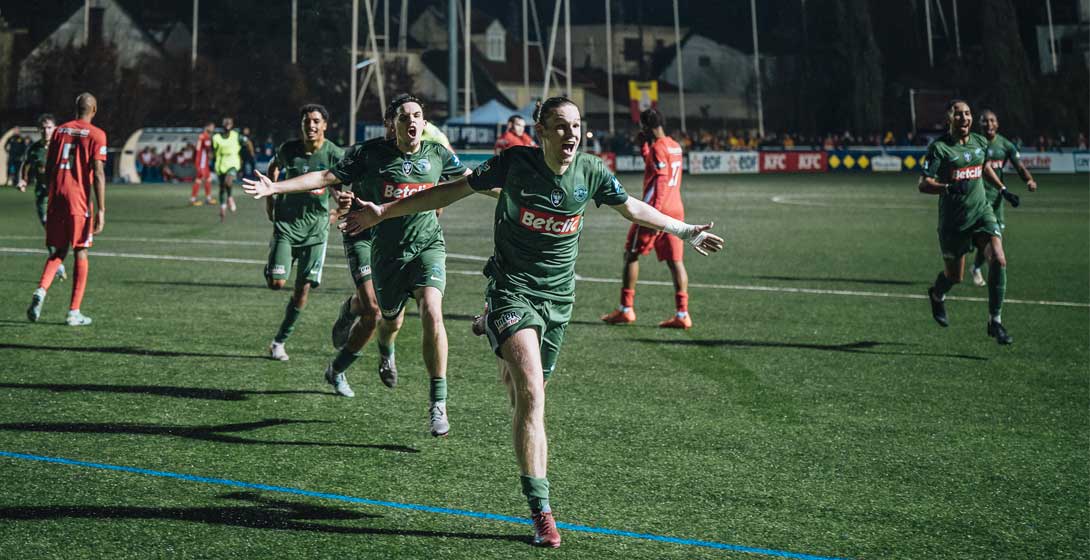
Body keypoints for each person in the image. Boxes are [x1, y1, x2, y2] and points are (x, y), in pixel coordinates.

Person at [335, 96, 723, 548]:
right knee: (532, 394)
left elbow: (632, 206)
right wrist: (382, 211)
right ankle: (542, 511)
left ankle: (492, 330)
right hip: (512, 291)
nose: (571, 134)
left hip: (559, 301)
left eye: (577, 126)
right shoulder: (514, 164)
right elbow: (451, 190)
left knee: (521, 393)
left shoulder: (591, 172)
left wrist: (685, 230)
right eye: (560, 126)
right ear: (540, 130)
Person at [244, 94, 467, 438]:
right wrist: (276, 187)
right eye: (402, 117)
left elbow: (473, 181)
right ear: (391, 123)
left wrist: (518, 191)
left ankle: (437, 401)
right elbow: (326, 177)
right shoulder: (368, 153)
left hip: (424, 245)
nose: (410, 122)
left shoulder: (436, 153)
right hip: (367, 236)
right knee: (377, 311)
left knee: (431, 311)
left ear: (424, 122)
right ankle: (353, 314)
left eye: (417, 116)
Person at [920, 100, 1013, 345]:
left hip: (981, 213)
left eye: (968, 113)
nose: (965, 118)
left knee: (999, 259)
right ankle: (937, 295)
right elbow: (923, 184)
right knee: (955, 277)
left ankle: (995, 321)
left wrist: (1002, 189)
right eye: (958, 114)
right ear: (949, 119)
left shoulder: (980, 142)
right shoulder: (939, 149)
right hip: (954, 223)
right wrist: (948, 187)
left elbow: (982, 168)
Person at [263, 104, 345, 361]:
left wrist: (335, 215)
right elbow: (273, 168)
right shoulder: (289, 150)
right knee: (277, 283)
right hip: (286, 226)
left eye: (316, 121)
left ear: (324, 125)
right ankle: (273, 266)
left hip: (316, 232)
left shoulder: (335, 155)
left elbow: (344, 195)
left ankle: (279, 342)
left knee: (303, 289)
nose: (310, 125)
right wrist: (271, 199)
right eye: (306, 121)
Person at [601, 108, 691, 328]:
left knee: (631, 254)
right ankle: (682, 314)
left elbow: (660, 179)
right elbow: (654, 163)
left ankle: (626, 309)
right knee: (675, 262)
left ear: (646, 127)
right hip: (676, 209)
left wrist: (655, 214)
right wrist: (643, 146)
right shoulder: (674, 145)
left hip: (656, 210)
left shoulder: (659, 148)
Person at [26, 92, 107, 326]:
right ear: (94, 110)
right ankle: (74, 312)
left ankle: (41, 291)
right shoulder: (97, 135)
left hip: (56, 198)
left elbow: (49, 168)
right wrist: (101, 209)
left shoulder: (60, 131)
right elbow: (99, 174)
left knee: (58, 251)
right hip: (78, 201)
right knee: (80, 250)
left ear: (75, 108)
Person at [968, 109, 1037, 287]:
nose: (989, 124)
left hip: (997, 199)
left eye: (992, 121)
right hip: (976, 197)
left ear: (997, 124)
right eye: (985, 121)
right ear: (980, 124)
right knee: (982, 240)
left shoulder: (1005, 145)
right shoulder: (973, 143)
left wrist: (1028, 180)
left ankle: (975, 267)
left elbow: (1019, 167)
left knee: (992, 239)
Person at [17, 114, 68, 284]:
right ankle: (57, 264)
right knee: (48, 227)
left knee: (60, 229)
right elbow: (26, 165)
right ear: (39, 130)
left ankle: (57, 260)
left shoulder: (61, 147)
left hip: (61, 194)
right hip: (42, 195)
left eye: (49, 127)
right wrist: (23, 180)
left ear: (55, 128)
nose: (46, 131)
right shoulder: (34, 149)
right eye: (43, 128)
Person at [212, 117, 242, 220]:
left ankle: (230, 197)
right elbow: (213, 151)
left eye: (229, 123)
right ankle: (222, 207)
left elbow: (248, 143)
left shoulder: (236, 136)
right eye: (226, 123)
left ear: (232, 125)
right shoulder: (216, 138)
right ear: (223, 125)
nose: (227, 124)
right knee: (221, 187)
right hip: (221, 164)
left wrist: (251, 155)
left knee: (228, 182)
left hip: (233, 164)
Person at [191, 121, 215, 205]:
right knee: (199, 180)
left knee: (208, 179)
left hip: (203, 162)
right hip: (201, 163)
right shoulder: (205, 136)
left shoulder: (202, 136)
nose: (213, 129)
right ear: (207, 127)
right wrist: (211, 154)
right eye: (212, 127)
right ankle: (193, 200)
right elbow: (208, 149)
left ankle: (208, 198)